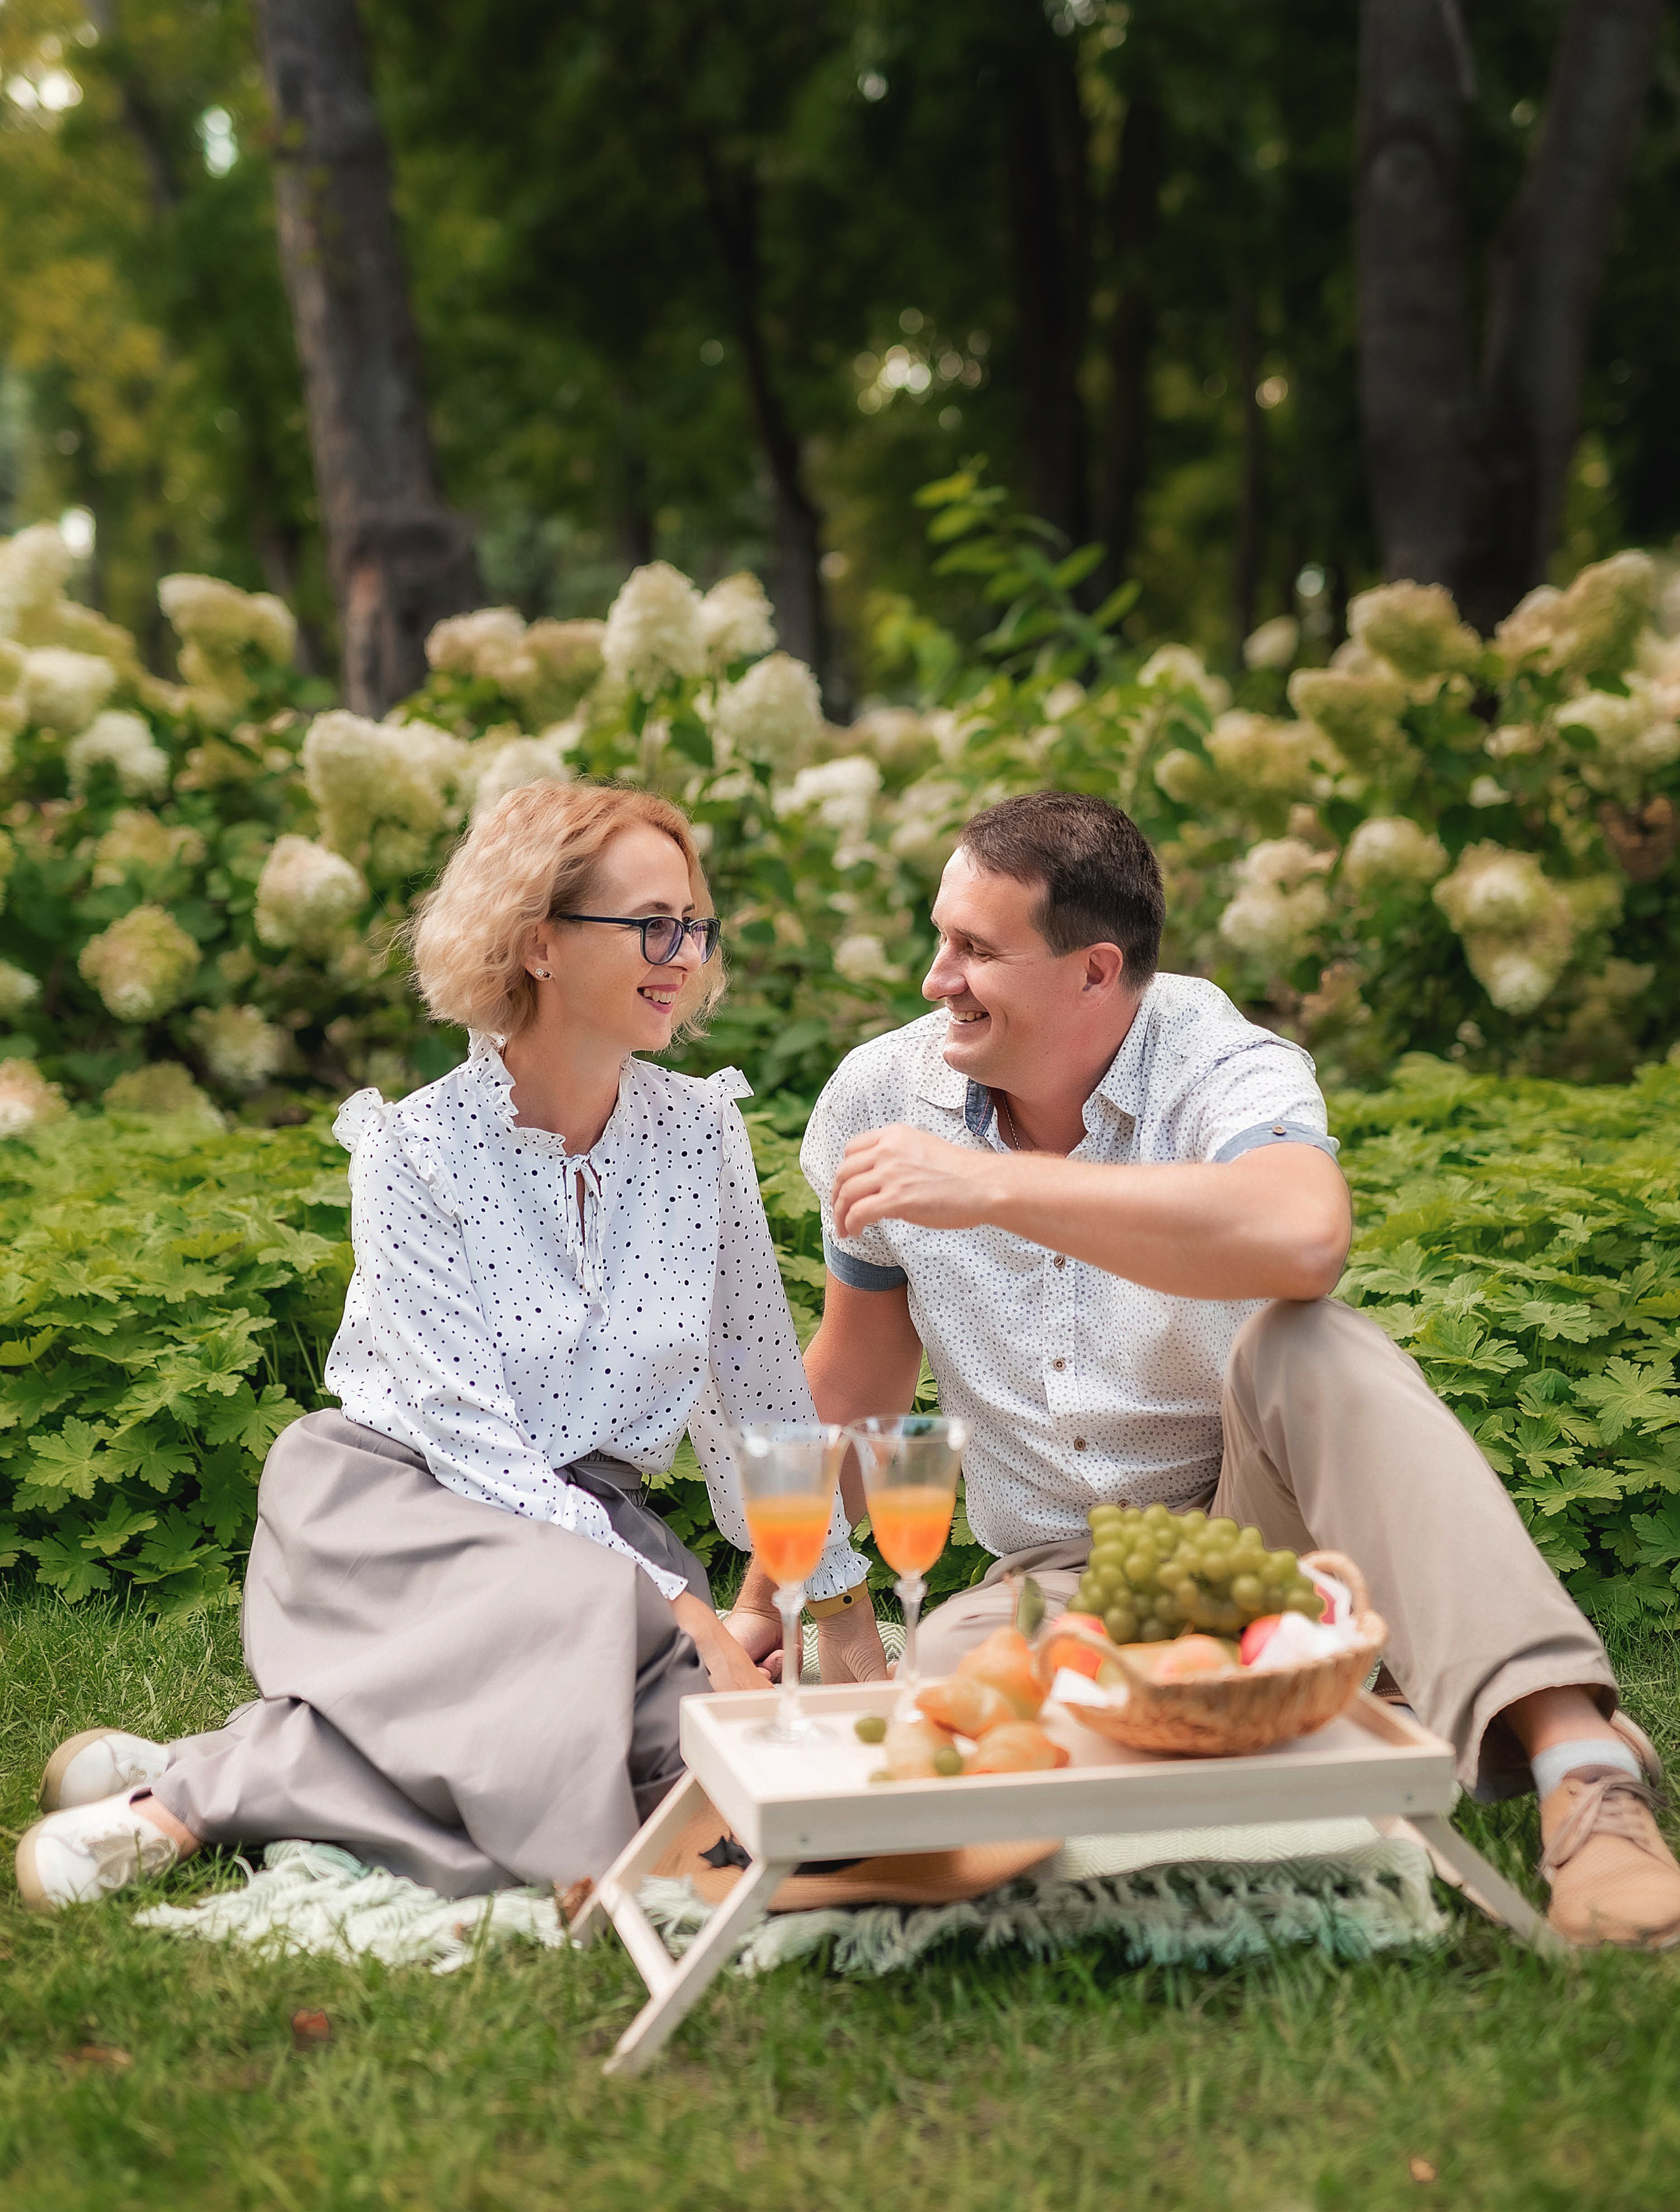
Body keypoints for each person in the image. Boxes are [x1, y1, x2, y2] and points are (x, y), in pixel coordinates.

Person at [789, 788, 1680, 1950]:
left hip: (1266, 1522)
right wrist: (782, 1588)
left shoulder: (1213, 1055)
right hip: (1068, 1581)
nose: (934, 979)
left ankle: (1584, 1775)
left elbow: (1305, 1235)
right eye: (938, 937)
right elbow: (856, 1380)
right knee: (963, 1666)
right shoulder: (880, 1095)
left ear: (1095, 972)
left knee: (1310, 1338)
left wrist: (994, 1189)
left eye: (974, 950)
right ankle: (1342, 1700)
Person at [16, 780, 862, 1913]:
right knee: (596, 1722)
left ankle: (220, 1758)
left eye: (696, 926)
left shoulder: (701, 1133)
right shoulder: (415, 1150)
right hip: (398, 1515)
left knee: (683, 1747)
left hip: (595, 1539)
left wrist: (834, 1605)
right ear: (538, 943)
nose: (686, 956)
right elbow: (476, 1446)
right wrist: (691, 1611)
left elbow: (759, 1397)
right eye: (652, 926)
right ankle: (179, 1808)